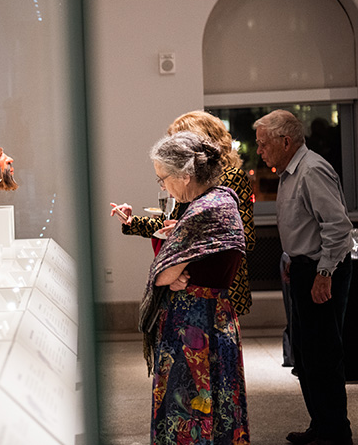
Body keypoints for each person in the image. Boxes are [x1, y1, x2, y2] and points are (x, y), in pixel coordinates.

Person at [140, 131, 249, 444]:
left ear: (185, 176)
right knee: (221, 402)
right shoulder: (224, 199)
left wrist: (171, 275)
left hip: (193, 326)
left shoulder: (202, 210)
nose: (162, 186)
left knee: (187, 410)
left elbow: (162, 273)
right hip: (218, 319)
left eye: (163, 179)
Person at [254, 109, 353, 445]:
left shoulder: (312, 171)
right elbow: (303, 226)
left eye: (263, 144)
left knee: (323, 355)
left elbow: (339, 228)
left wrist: (323, 272)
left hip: (323, 270)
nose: (259, 151)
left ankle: (336, 432)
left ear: (285, 141)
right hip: (302, 267)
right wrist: (291, 260)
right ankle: (321, 425)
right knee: (305, 353)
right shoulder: (288, 174)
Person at [111, 110, 255, 316]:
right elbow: (171, 223)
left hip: (216, 280)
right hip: (185, 277)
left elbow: (242, 236)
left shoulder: (228, 179)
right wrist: (132, 221)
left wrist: (184, 235)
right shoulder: (186, 183)